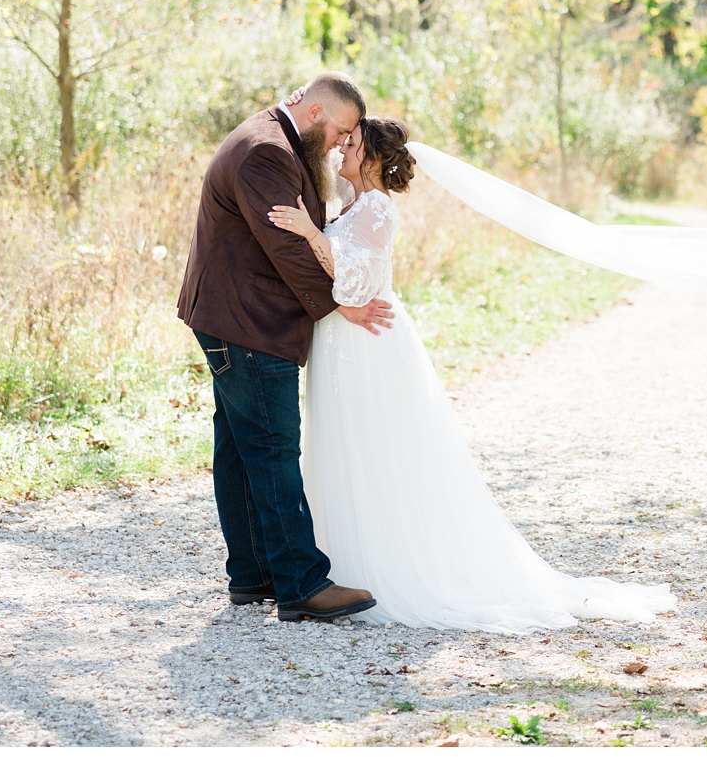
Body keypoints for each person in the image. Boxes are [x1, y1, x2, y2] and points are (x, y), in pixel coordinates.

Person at [269, 117, 677, 633]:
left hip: (368, 344)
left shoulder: (375, 209)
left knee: (375, 445)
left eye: (352, 144)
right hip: (343, 342)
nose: (342, 148)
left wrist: (308, 232)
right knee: (344, 443)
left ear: (373, 160)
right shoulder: (347, 205)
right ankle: (338, 564)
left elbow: (354, 285)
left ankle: (385, 565)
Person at [176, 72, 393, 622]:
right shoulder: (265, 152)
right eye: (342, 130)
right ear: (317, 111)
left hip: (235, 318)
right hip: (250, 323)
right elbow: (286, 247)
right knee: (272, 449)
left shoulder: (275, 140)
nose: (344, 142)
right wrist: (339, 303)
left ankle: (252, 576)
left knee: (241, 449)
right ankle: (301, 584)